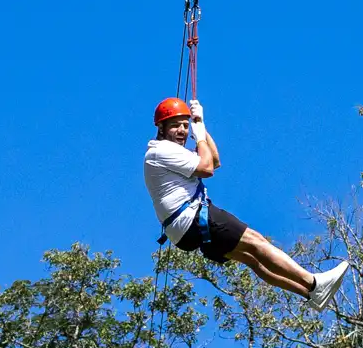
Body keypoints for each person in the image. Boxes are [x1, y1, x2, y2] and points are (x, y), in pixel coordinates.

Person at [143, 97, 350, 308]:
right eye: (176, 125)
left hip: (183, 230)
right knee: (256, 241)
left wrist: (201, 127)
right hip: (192, 218)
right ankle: (315, 283)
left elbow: (214, 161)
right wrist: (199, 137)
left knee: (253, 259)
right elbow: (207, 169)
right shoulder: (161, 151)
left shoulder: (172, 152)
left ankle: (309, 294)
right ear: (161, 127)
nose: (182, 131)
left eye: (185, 126)